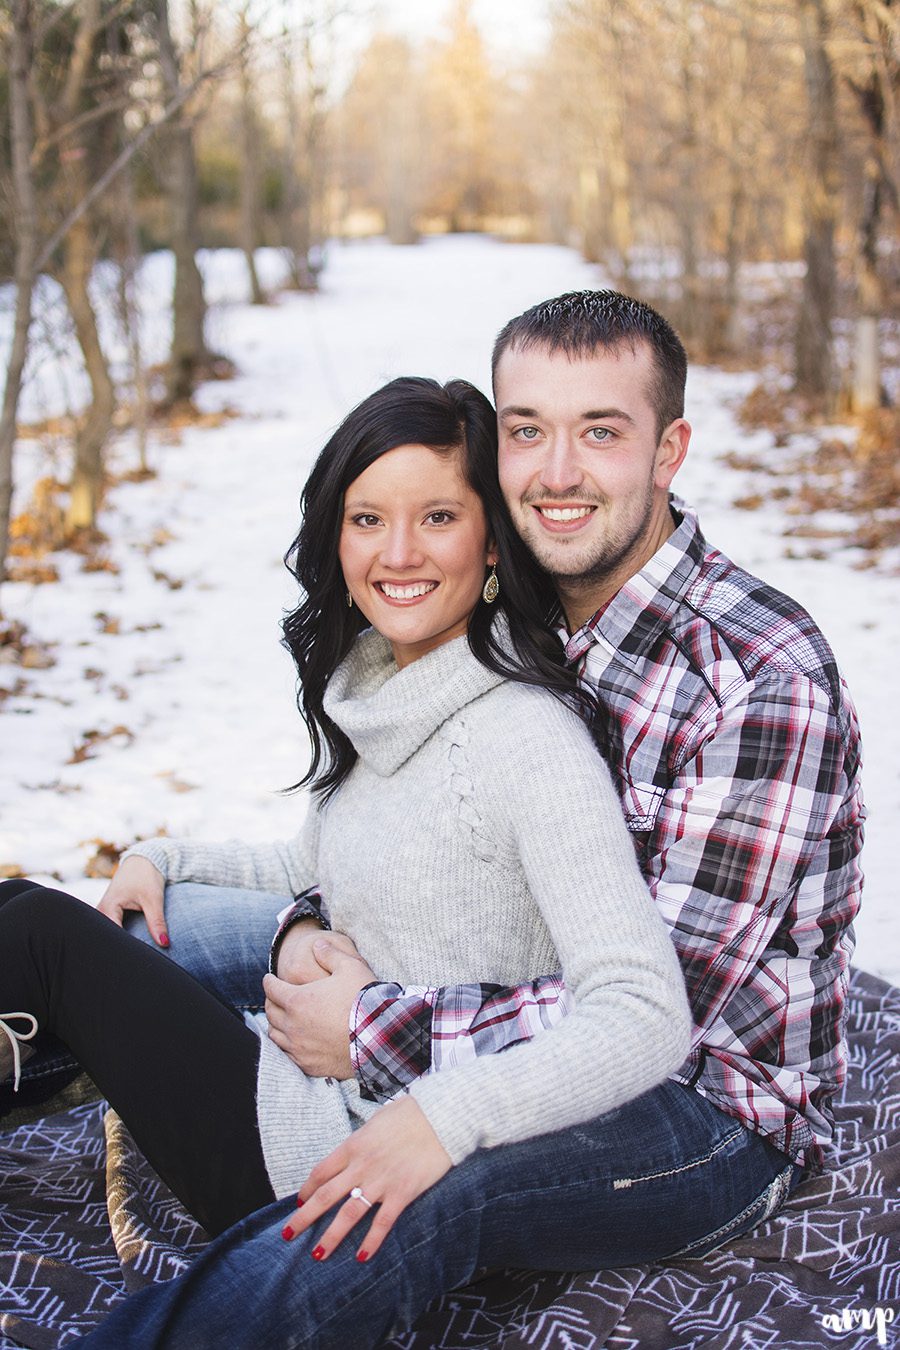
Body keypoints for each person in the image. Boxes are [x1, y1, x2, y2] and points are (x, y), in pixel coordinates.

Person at [54, 289, 862, 1350]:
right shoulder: (519, 603)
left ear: (669, 451)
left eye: (601, 433)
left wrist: (377, 1030)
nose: (558, 472)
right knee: (132, 930)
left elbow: (656, 1015)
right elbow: (405, 847)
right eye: (528, 431)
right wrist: (261, 900)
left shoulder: (758, 680)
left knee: (418, 1179)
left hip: (700, 1111)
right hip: (483, 980)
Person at [0, 377, 691, 1287]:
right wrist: (160, 859)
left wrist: (443, 1120)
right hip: (305, 1077)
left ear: (492, 540)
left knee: (42, 940)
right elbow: (311, 862)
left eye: (438, 517)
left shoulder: (526, 737)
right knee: (35, 913)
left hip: (329, 1156)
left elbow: (646, 1012)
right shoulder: (388, 680)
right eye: (368, 519)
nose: (397, 553)